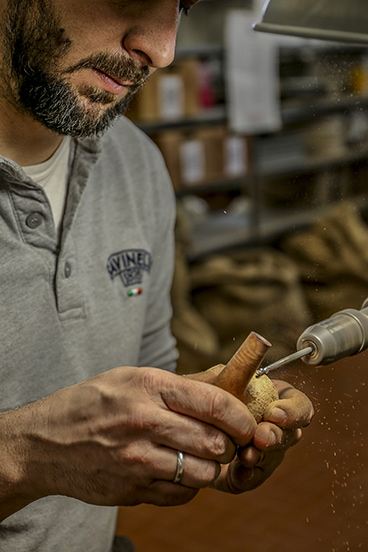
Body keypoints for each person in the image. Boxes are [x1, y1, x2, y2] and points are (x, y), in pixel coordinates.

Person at [0, 0, 314, 550]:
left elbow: (143, 374)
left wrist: (204, 424)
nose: (163, 50)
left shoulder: (138, 165)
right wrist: (31, 455)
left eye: (182, 6)